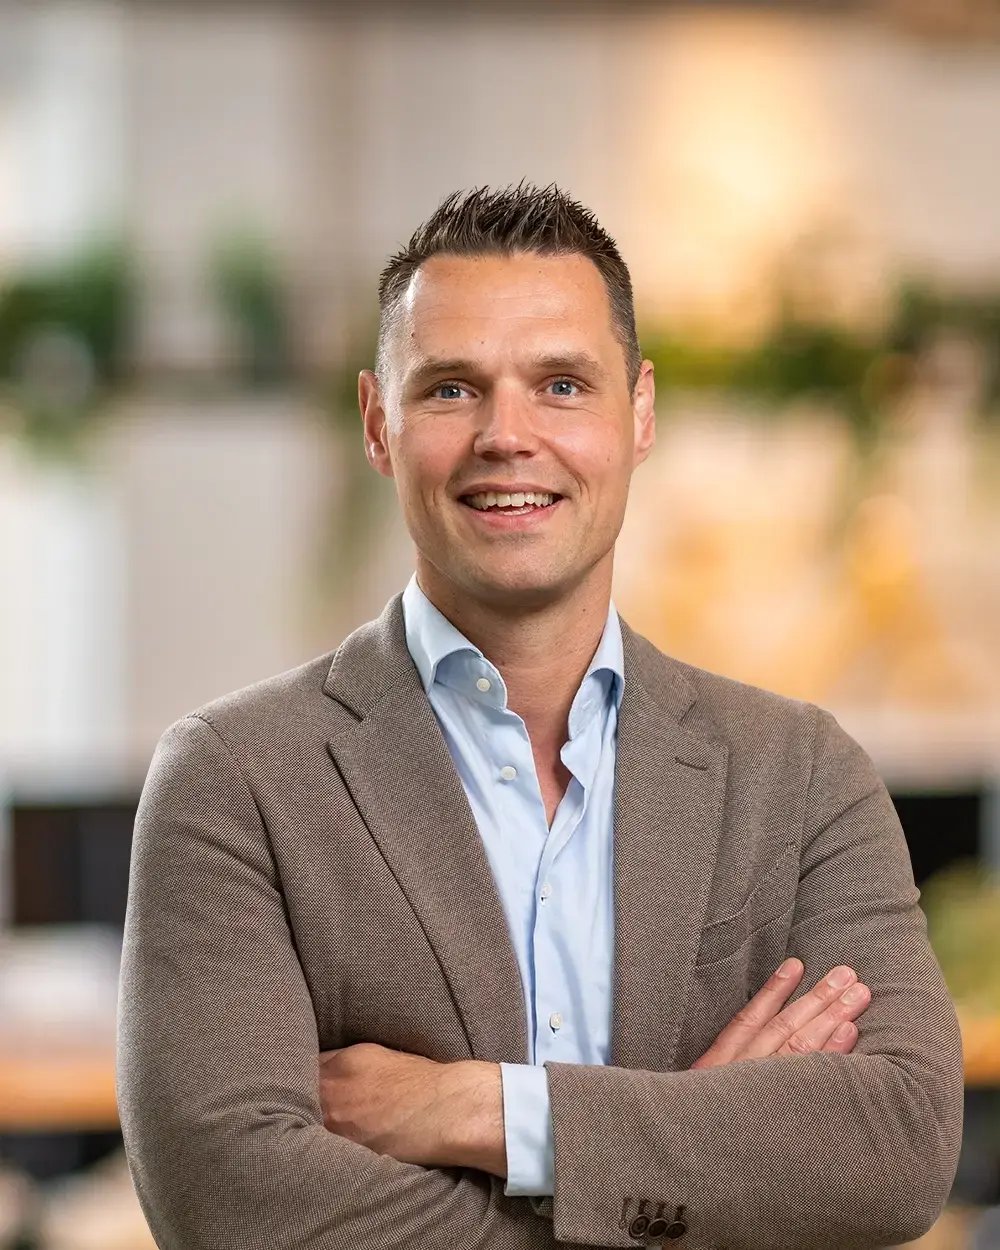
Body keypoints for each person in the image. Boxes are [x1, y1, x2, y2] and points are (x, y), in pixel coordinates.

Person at [117, 183, 964, 1250]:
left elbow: (898, 1143)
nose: (506, 436)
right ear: (378, 424)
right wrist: (685, 1161)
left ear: (639, 413)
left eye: (561, 384)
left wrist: (484, 1110)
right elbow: (231, 1201)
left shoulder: (800, 773)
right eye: (451, 389)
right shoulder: (233, 780)